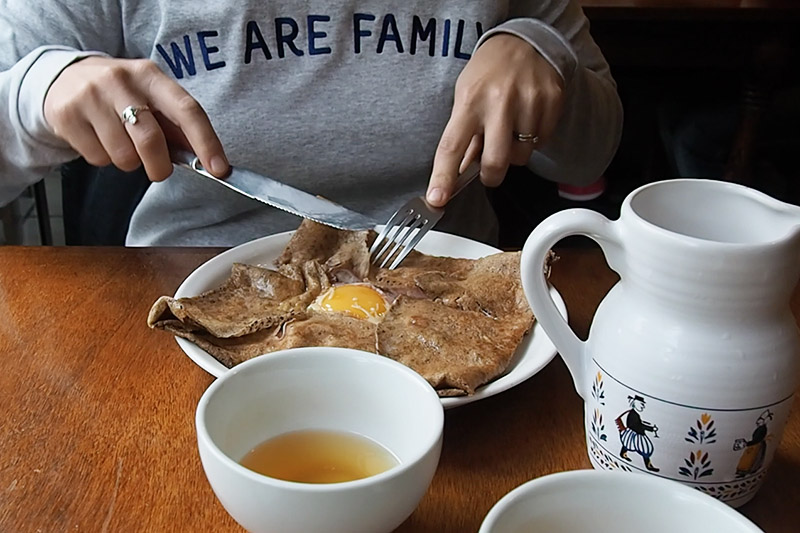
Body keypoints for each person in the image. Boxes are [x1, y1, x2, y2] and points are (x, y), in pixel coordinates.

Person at [0, 2, 622, 246]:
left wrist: (544, 53)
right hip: (182, 298)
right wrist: (41, 89)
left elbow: (592, 156)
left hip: (446, 294)